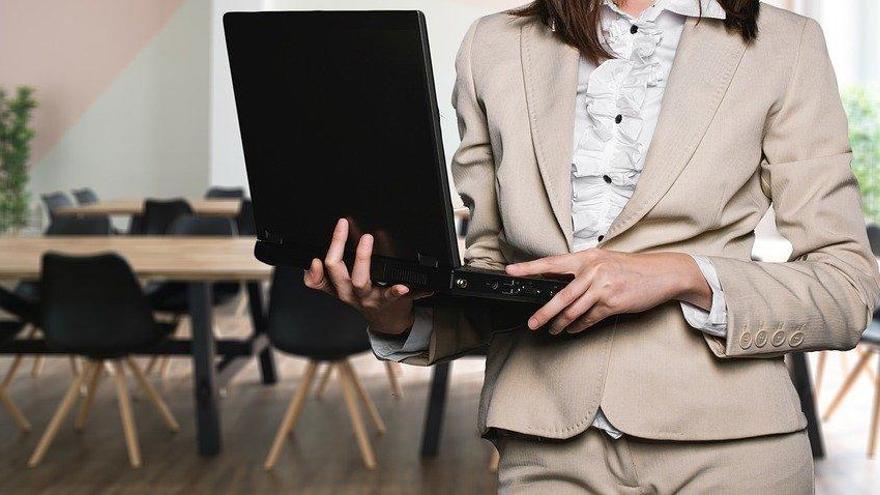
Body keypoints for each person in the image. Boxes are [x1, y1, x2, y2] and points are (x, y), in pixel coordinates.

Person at [305, 0, 880, 492]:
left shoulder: (786, 45)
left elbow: (846, 287)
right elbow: (494, 278)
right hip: (545, 446)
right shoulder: (495, 46)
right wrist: (395, 314)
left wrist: (682, 274)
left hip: (734, 445)